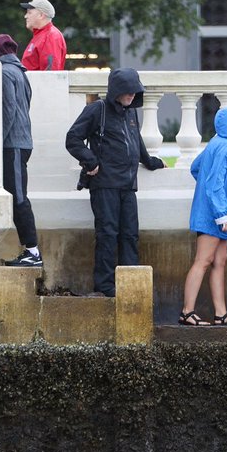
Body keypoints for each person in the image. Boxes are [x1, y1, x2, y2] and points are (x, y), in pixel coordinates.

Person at [65, 68, 166, 297]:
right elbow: (73, 138)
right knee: (107, 233)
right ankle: (106, 286)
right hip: (105, 184)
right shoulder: (96, 110)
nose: (131, 96)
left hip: (128, 184)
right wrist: (90, 162)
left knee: (130, 233)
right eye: (127, 92)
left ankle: (129, 281)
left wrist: (151, 162)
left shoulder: (131, 114)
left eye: (134, 92)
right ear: (116, 91)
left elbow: (136, 142)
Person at [179, 105, 227, 327]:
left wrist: (215, 204)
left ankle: (221, 314)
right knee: (203, 261)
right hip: (214, 216)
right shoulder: (224, 147)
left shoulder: (218, 143)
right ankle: (187, 311)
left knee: (220, 261)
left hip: (218, 215)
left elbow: (196, 168)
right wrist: (221, 213)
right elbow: (214, 183)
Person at [0, 34, 42, 267]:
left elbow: (8, 110)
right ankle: (30, 251)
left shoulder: (5, 73)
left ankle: (33, 253)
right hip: (21, 142)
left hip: (13, 145)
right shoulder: (20, 72)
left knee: (19, 198)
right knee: (17, 196)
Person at [20, 0, 66, 71]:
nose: (25, 16)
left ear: (41, 15)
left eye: (29, 13)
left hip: (38, 82)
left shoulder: (50, 36)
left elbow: (50, 73)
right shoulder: (41, 35)